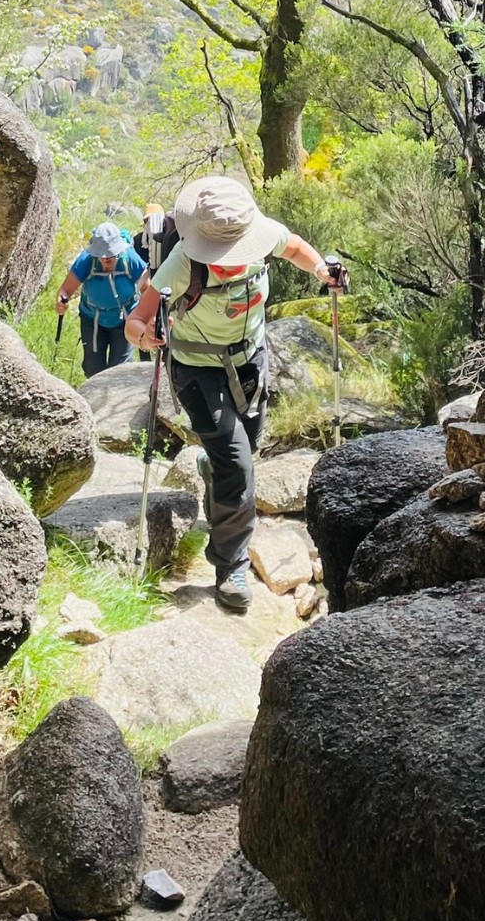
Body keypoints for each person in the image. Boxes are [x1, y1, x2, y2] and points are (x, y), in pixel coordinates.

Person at [124, 175, 347, 613]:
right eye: (220, 254)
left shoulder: (263, 236)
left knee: (247, 447)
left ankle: (213, 469)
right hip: (198, 369)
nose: (227, 262)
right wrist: (144, 337)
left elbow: (295, 247)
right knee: (238, 465)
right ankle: (231, 567)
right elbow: (137, 319)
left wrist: (321, 270)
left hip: (250, 361)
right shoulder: (182, 262)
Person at [57, 221, 147, 378]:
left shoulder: (130, 258)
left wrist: (144, 318)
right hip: (92, 320)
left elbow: (147, 289)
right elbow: (65, 290)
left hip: (125, 319)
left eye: (110, 256)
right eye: (102, 256)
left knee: (120, 371)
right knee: (93, 370)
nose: (106, 260)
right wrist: (61, 301)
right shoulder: (86, 260)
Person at [132, 202, 179, 356]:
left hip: (165, 287)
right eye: (147, 220)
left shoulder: (171, 240)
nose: (150, 224)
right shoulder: (138, 241)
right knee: (146, 324)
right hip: (147, 289)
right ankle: (145, 354)